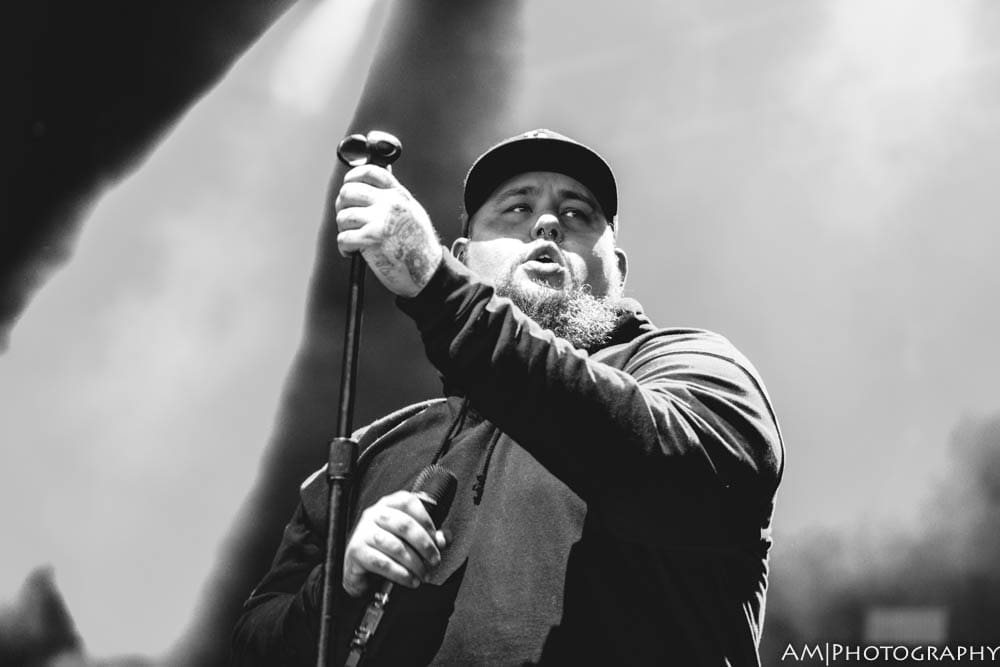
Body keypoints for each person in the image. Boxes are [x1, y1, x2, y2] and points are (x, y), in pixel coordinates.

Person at [232, 129, 784, 666]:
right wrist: (340, 586)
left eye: (577, 214)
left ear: (617, 269)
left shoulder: (690, 368)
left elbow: (676, 471)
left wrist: (436, 286)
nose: (547, 223)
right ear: (464, 256)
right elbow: (256, 642)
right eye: (517, 208)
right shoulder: (375, 449)